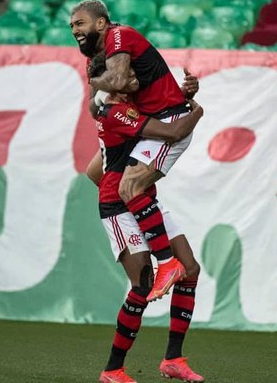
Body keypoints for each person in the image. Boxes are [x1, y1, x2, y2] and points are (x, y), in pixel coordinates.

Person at [70, 0, 199, 302]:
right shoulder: (97, 62)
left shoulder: (120, 36)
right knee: (97, 173)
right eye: (72, 26)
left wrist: (195, 110)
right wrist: (106, 86)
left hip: (168, 121)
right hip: (151, 122)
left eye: (80, 23)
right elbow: (95, 103)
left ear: (100, 23)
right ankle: (146, 214)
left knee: (128, 185)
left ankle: (165, 261)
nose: (74, 30)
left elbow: (110, 86)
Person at [88, 53, 205, 383]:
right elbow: (174, 131)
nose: (135, 75)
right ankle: (113, 369)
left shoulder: (122, 105)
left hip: (139, 199)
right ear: (112, 80)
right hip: (120, 205)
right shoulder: (117, 111)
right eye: (127, 72)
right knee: (142, 285)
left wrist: (184, 96)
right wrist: (196, 110)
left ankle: (173, 359)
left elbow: (91, 171)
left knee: (190, 269)